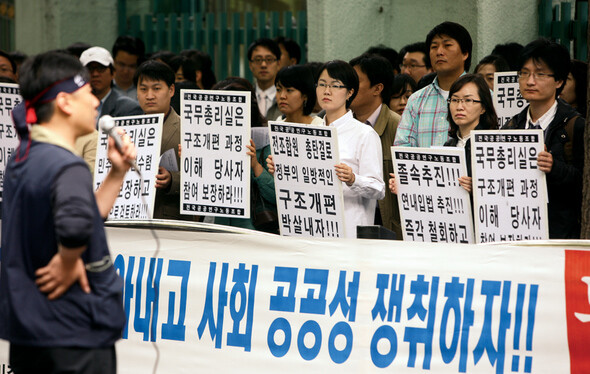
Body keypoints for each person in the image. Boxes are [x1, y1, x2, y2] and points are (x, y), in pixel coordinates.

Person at [0, 50, 136, 373]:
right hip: (74, 334)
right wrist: (69, 259)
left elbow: (84, 217)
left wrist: (116, 174)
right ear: (64, 103)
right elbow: (76, 226)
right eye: (87, 92)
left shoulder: (24, 156)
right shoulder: (67, 166)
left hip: (31, 332)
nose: (94, 102)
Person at [268, 60, 384, 238]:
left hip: (350, 231)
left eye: (335, 85)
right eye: (322, 84)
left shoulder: (364, 134)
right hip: (312, 230)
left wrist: (353, 179)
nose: (326, 91)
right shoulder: (310, 133)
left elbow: (379, 189)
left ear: (350, 92)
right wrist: (282, 169)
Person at [502, 38, 585, 239]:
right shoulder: (511, 127)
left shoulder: (576, 126)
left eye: (540, 74)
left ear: (558, 81)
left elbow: (584, 183)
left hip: (561, 238)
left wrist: (555, 168)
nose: (530, 81)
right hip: (517, 235)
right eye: (524, 73)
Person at [210, 77, 278, 233]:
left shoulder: (266, 141)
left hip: (253, 233)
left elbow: (278, 196)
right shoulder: (210, 141)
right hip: (218, 230)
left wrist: (255, 165)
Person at [394, 21, 472, 148]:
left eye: (447, 45)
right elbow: (402, 146)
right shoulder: (416, 99)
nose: (439, 52)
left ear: (465, 53)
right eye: (434, 47)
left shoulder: (484, 96)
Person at [349, 53, 402, 238]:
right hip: (350, 222)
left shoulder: (398, 127)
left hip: (386, 226)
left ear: (377, 88)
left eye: (355, 81)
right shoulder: (339, 124)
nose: (349, 88)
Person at [135, 60, 193, 221]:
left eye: (156, 88)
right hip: (135, 218)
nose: (149, 96)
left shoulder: (188, 129)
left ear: (171, 90)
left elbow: (202, 178)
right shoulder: (128, 131)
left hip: (173, 218)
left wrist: (172, 179)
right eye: (143, 89)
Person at [78, 46, 142, 173]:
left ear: (113, 73)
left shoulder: (128, 108)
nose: (95, 74)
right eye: (90, 69)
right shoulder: (72, 108)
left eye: (101, 69)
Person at [247, 38, 282, 121]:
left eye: (269, 60)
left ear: (278, 63)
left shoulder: (286, 98)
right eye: (258, 60)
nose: (263, 65)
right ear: (250, 65)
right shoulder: (246, 96)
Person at [112, 35, 145, 100]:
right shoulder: (104, 87)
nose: (125, 71)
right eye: (122, 65)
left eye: (132, 66)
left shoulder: (145, 90)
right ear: (114, 61)